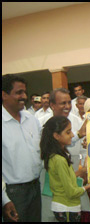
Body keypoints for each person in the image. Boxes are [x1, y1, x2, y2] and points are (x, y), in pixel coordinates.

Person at [40, 116, 90, 222]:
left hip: (66, 205)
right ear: (56, 136)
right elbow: (72, 192)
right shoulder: (59, 159)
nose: (73, 135)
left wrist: (82, 171)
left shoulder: (58, 155)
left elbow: (66, 179)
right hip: (66, 207)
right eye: (68, 132)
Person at [2, 74, 43, 222]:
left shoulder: (31, 119)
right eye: (19, 92)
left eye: (25, 92)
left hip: (35, 187)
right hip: (13, 193)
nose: (24, 96)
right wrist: (4, 200)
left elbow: (43, 147)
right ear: (4, 95)